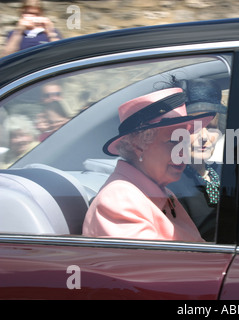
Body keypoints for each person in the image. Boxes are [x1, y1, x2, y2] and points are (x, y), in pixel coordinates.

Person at [82, 87, 215, 241]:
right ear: (138, 146)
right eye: (173, 142)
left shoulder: (163, 193)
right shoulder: (119, 200)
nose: (182, 153)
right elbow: (156, 263)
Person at [168, 79, 226, 241]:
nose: (205, 137)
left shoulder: (225, 171)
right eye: (195, 128)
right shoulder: (171, 184)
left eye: (212, 127)